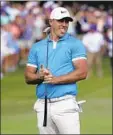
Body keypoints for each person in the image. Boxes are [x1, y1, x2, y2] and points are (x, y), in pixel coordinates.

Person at [24, 7, 88, 134]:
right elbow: (28, 76)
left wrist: (56, 80)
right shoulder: (37, 47)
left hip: (65, 104)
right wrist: (40, 76)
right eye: (60, 21)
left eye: (67, 21)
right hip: (43, 105)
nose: (64, 25)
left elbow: (82, 72)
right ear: (51, 21)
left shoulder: (75, 44)